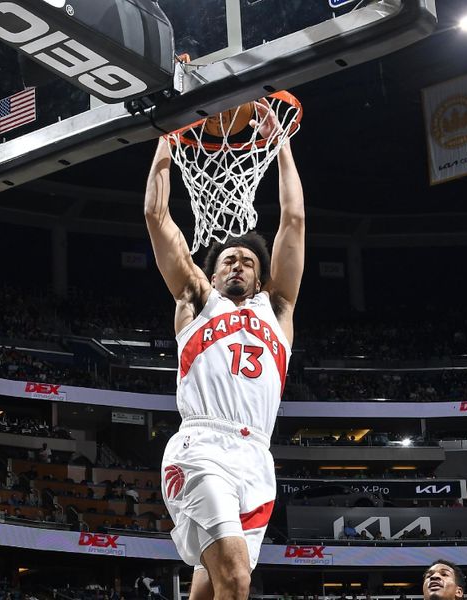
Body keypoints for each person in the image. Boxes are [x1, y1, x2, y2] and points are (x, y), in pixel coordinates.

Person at [146, 98, 304, 600]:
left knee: (211, 589)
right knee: (236, 577)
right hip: (203, 446)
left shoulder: (277, 310)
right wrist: (166, 139)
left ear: (261, 275)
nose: (237, 265)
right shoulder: (196, 300)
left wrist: (280, 143)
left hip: (257, 456)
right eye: (227, 260)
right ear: (211, 272)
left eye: (247, 262)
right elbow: (156, 213)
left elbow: (293, 220)